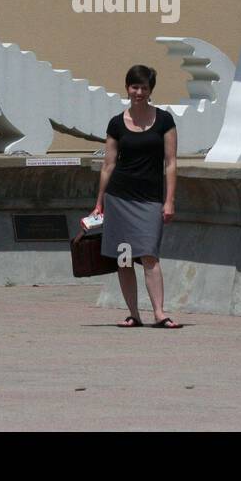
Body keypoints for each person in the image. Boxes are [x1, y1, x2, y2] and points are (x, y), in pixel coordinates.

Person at [92, 65, 181, 329]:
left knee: (150, 256)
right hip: (118, 197)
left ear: (151, 90)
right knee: (124, 257)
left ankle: (159, 313)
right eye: (134, 87)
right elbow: (108, 165)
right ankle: (134, 314)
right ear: (127, 88)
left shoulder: (165, 121)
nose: (138, 92)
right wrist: (99, 201)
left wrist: (170, 200)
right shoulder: (116, 123)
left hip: (150, 199)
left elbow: (171, 163)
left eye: (143, 87)